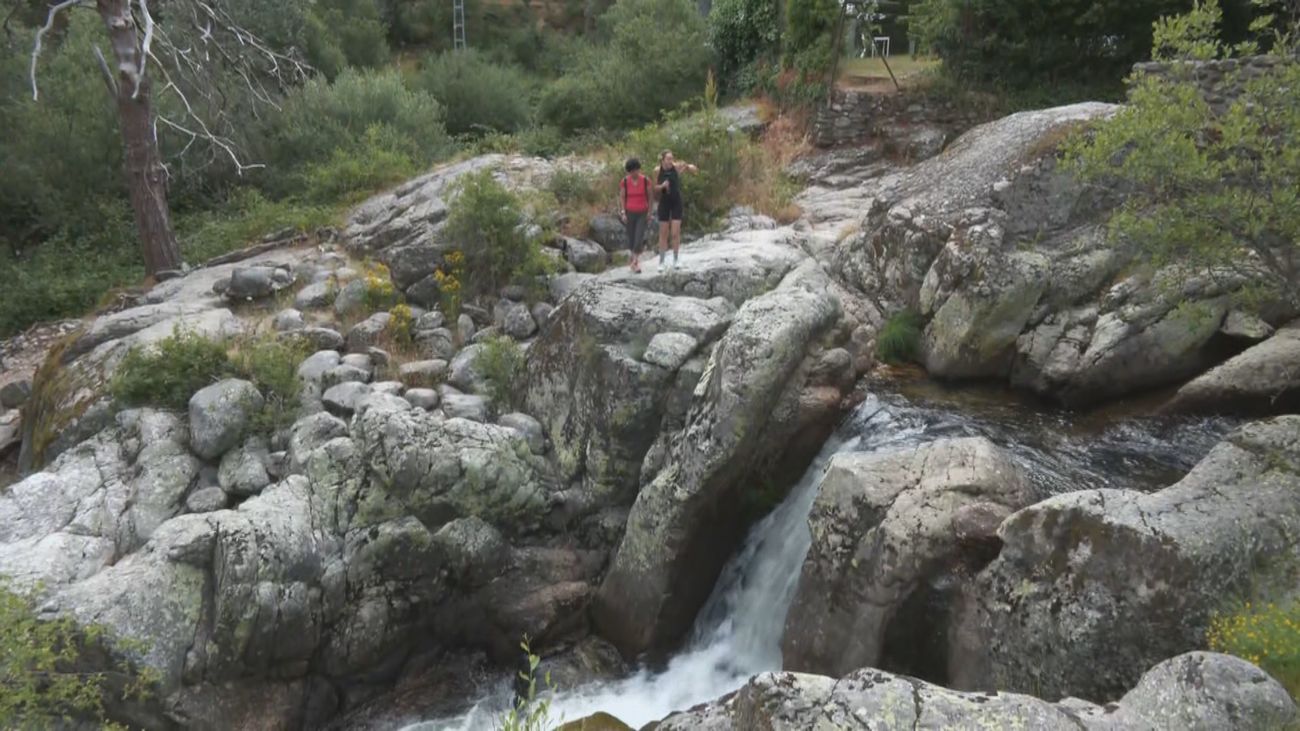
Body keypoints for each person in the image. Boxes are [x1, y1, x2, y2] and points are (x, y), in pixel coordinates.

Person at [652, 150, 698, 269]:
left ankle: (676, 259)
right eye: (668, 159)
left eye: (672, 158)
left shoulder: (676, 167)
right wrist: (662, 186)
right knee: (663, 233)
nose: (670, 161)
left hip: (676, 201)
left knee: (675, 232)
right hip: (664, 202)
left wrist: (688, 166)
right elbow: (654, 188)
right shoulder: (657, 170)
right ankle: (661, 262)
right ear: (662, 160)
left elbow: (694, 170)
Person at [618, 158, 652, 273]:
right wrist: (623, 212)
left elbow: (650, 197)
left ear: (639, 169)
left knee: (639, 237)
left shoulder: (646, 180)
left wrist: (650, 212)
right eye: (632, 171)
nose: (634, 173)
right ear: (628, 172)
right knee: (631, 238)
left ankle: (636, 262)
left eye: (636, 170)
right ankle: (633, 259)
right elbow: (622, 197)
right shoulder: (625, 182)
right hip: (629, 212)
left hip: (642, 212)